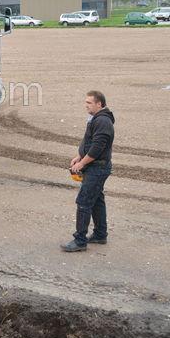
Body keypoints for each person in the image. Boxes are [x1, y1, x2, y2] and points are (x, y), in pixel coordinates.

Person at [61, 90, 115, 252]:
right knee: (97, 200)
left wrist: (81, 164)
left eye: (89, 103)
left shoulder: (103, 122)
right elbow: (89, 140)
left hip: (97, 167)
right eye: (86, 102)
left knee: (84, 202)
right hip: (95, 166)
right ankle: (100, 234)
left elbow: (98, 148)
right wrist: (79, 155)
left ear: (100, 104)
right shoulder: (95, 119)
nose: (86, 105)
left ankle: (80, 241)